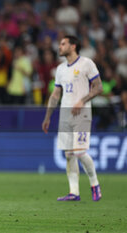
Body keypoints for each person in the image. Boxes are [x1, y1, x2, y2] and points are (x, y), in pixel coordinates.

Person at [42, 35, 103, 201]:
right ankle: (74, 192)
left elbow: (99, 87)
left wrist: (82, 101)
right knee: (69, 154)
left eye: (63, 44)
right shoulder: (60, 69)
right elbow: (56, 95)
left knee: (80, 152)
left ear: (73, 45)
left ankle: (95, 184)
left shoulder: (87, 64)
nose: (59, 47)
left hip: (82, 113)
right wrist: (47, 116)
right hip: (65, 114)